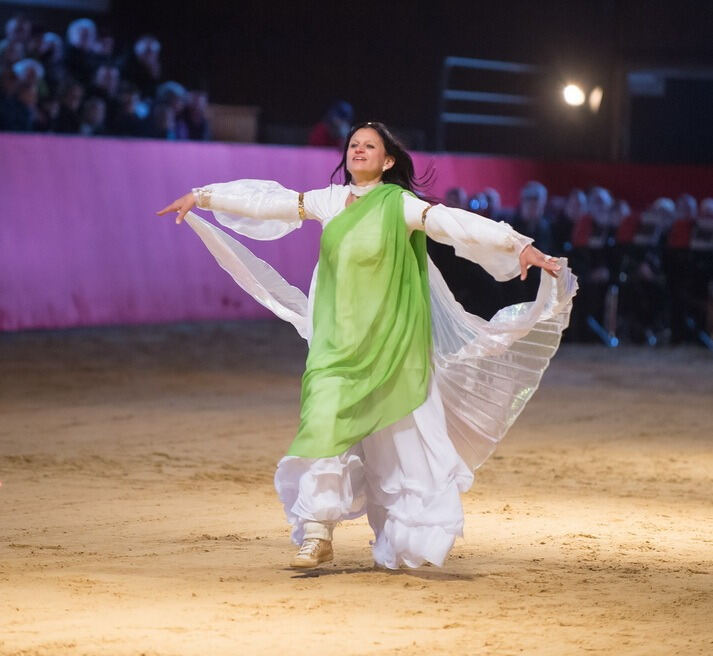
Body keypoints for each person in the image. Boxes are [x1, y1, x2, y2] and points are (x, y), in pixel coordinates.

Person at [156, 122, 576, 570]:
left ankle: (403, 536)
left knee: (399, 442)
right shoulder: (330, 200)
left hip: (391, 344)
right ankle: (317, 534)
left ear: (388, 160)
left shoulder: (402, 205)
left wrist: (518, 247)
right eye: (353, 144)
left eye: (369, 146)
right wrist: (204, 196)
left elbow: (457, 225)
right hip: (335, 344)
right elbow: (272, 204)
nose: (358, 150)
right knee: (322, 421)